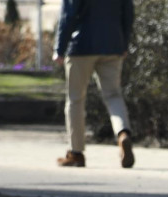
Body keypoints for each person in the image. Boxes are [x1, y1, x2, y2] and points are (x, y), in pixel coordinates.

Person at [53, 0, 135, 169]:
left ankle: (76, 153)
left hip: (81, 45)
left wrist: (59, 48)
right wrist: (124, 43)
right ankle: (123, 133)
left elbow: (67, 14)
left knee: (76, 98)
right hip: (113, 44)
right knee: (113, 95)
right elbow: (128, 14)